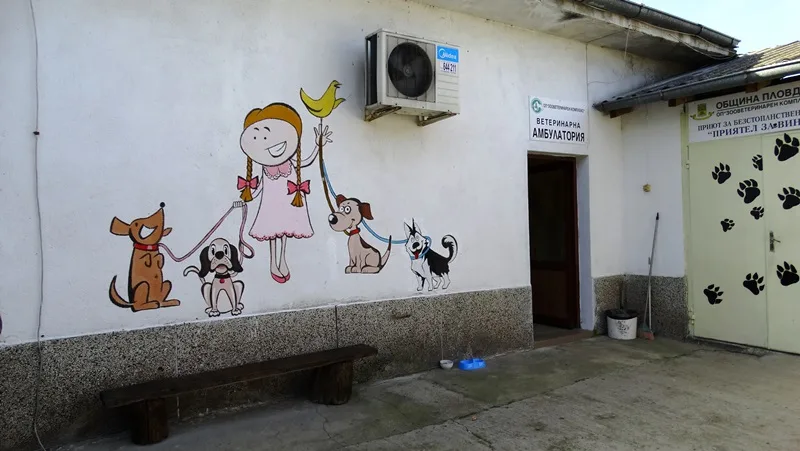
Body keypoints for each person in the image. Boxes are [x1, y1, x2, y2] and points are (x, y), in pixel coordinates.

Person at [237, 102, 332, 283]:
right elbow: (261, 187)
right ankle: (273, 262)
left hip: (288, 202)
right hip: (270, 205)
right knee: (273, 234)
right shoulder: (266, 168)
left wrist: (318, 145)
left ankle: (282, 259)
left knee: (284, 232)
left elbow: (307, 161)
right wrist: (247, 198)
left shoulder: (290, 163)